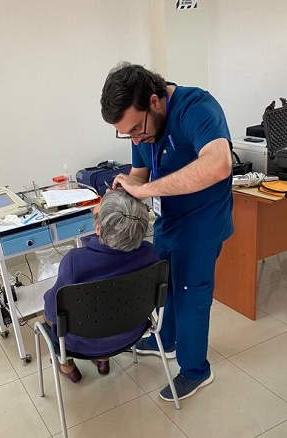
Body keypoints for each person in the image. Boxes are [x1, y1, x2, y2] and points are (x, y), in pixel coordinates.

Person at [100, 62, 233, 401]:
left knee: (191, 294)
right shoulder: (141, 128)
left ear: (155, 102)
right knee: (166, 285)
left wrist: (146, 190)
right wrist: (122, 194)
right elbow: (140, 174)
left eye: (135, 129)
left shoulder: (196, 108)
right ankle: (168, 340)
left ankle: (195, 370)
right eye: (126, 133)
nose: (135, 137)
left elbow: (219, 163)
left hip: (202, 223)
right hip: (168, 221)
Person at [43, 189, 159, 383]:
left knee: (47, 314)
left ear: (98, 228)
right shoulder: (149, 253)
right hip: (133, 331)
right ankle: (103, 359)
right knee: (108, 306)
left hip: (82, 343)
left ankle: (67, 366)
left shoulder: (75, 261)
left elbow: (53, 310)